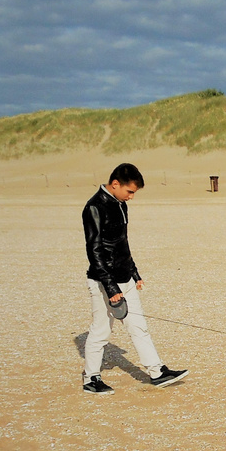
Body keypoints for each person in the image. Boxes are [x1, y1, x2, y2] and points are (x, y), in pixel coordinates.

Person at [81, 163, 187, 392]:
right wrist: (110, 288)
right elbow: (95, 251)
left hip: (124, 278)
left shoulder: (120, 205)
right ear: (115, 184)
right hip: (103, 280)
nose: (131, 197)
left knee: (139, 326)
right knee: (101, 331)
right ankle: (91, 378)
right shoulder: (94, 207)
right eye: (130, 192)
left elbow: (122, 244)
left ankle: (157, 371)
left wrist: (134, 272)